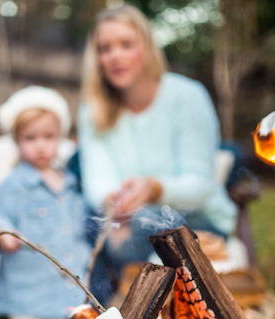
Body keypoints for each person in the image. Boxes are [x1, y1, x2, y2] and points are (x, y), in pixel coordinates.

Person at [77, 5, 237, 301]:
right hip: (128, 222)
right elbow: (96, 184)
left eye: (126, 44)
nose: (115, 56)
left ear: (147, 48)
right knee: (82, 219)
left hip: (196, 220)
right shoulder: (92, 111)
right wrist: (117, 201)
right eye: (105, 48)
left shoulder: (188, 97)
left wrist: (153, 188)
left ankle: (108, 314)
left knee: (149, 227)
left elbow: (200, 187)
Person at [0, 86, 91, 319]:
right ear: (17, 140)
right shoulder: (15, 184)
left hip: (64, 285)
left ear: (60, 138)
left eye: (48, 137)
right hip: (27, 286)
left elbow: (78, 226)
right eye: (30, 138)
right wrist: (2, 234)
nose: (40, 145)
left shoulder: (69, 182)